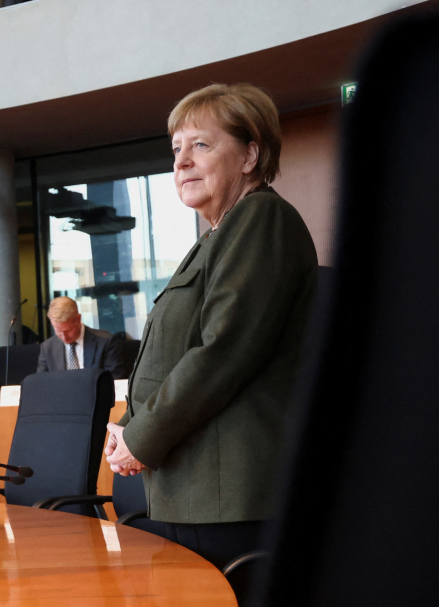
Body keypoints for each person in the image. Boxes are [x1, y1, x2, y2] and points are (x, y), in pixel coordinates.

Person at [103, 83, 318, 586]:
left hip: (232, 503)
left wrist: (141, 437)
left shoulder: (260, 216)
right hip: (198, 496)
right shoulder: (216, 236)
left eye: (200, 144)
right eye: (176, 148)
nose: (181, 162)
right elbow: (175, 355)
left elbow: (224, 351)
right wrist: (127, 426)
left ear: (250, 155)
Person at [34, 297, 130, 379]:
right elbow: (42, 383)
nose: (64, 338)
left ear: (78, 319)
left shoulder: (105, 342)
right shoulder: (47, 348)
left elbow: (114, 381)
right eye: (58, 331)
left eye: (68, 331)